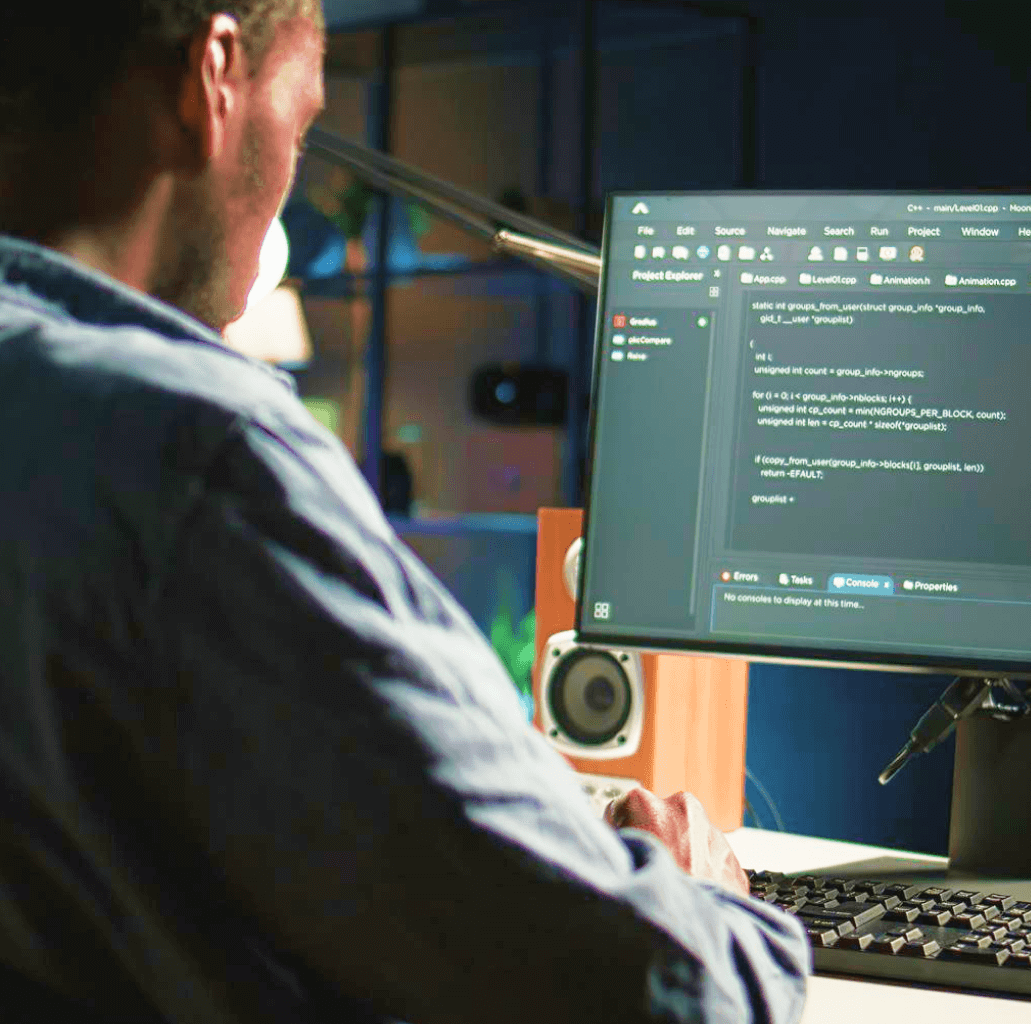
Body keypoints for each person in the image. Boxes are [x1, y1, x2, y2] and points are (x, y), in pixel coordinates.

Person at [0, 4, 809, 1022]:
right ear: (215, 76)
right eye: (301, 126)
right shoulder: (202, 454)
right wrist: (706, 899)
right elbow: (671, 990)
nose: (291, 179)